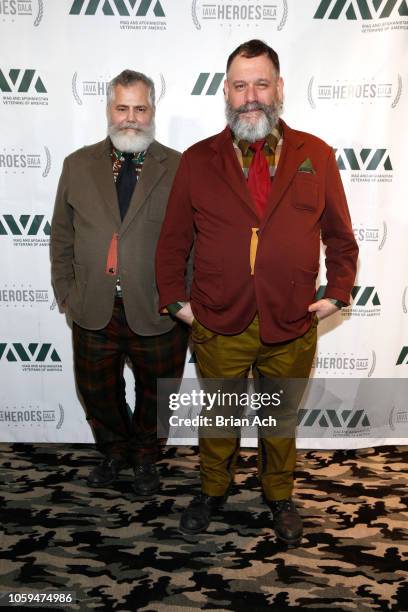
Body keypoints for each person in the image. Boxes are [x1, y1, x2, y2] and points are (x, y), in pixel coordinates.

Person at [155, 40, 358, 544]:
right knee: (219, 416)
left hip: (290, 320)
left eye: (261, 84)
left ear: (279, 88)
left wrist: (338, 291)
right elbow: (173, 242)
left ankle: (279, 496)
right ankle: (212, 490)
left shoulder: (317, 155)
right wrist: (177, 303)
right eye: (241, 85)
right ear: (226, 91)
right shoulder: (198, 160)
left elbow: (341, 237)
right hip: (218, 320)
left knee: (280, 417)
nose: (252, 96)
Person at [50, 69, 188, 495]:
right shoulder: (78, 164)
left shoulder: (179, 166)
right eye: (122, 107)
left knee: (158, 393)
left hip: (158, 309)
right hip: (94, 307)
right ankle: (114, 451)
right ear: (109, 109)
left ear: (152, 112)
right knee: (97, 392)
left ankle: (146, 457)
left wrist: (183, 301)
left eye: (140, 108)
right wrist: (67, 295)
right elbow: (62, 235)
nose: (131, 118)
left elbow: (195, 239)